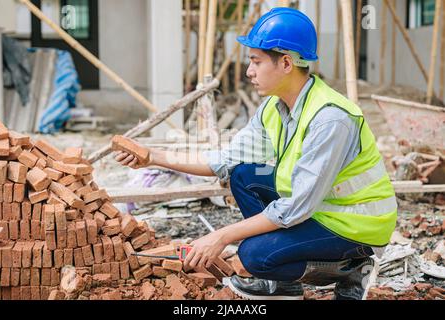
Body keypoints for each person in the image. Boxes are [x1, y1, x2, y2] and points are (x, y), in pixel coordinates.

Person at [114, 7, 397, 300]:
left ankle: (352, 268)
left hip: (357, 225)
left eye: (255, 61)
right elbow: (224, 161)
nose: (249, 71)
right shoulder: (274, 108)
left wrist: (221, 236)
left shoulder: (330, 119)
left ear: (286, 63)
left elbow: (296, 208)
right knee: (244, 174)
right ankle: (283, 284)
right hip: (319, 208)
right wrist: (153, 157)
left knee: (254, 256)